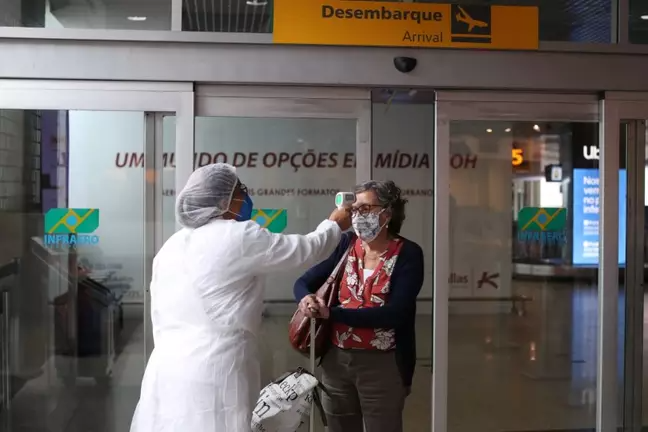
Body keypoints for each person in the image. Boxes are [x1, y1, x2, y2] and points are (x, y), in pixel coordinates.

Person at [130, 163, 351, 432]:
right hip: (216, 366)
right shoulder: (238, 235)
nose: (246, 196)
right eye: (240, 190)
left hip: (166, 366)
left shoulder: (171, 246)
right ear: (225, 200)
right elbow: (304, 250)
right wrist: (335, 224)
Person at [293, 180, 424, 432]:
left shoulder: (408, 254)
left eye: (365, 208)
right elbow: (303, 282)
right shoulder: (346, 245)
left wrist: (332, 313)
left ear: (387, 212)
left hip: (383, 366)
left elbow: (396, 313)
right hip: (336, 364)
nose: (357, 215)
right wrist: (306, 299)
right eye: (354, 210)